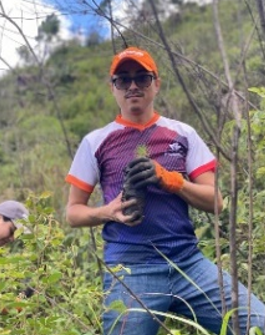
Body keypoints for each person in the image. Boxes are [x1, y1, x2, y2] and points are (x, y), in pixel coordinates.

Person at [65, 46, 265, 335]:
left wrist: (172, 181)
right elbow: (73, 212)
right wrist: (108, 211)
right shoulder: (95, 141)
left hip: (188, 262)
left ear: (156, 84)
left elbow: (216, 202)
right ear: (113, 88)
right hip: (131, 269)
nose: (133, 85)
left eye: (142, 78)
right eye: (123, 79)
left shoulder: (183, 134)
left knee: (258, 324)